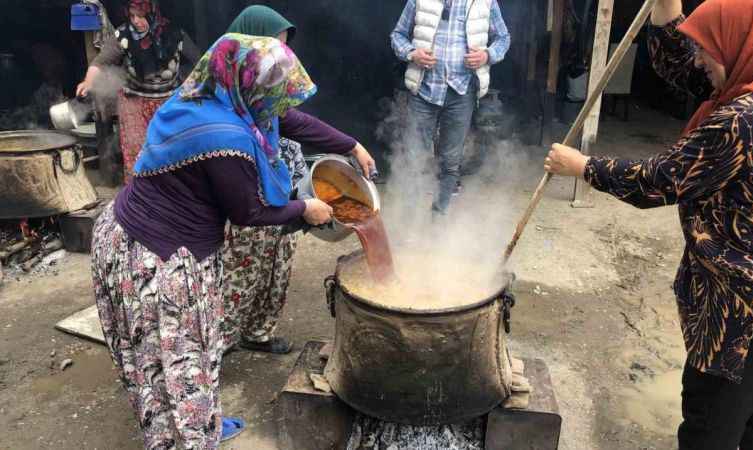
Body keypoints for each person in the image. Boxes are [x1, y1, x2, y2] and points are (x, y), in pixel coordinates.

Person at [544, 0, 753, 448]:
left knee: (709, 421)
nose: (699, 58)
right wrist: (667, 11)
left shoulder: (745, 119)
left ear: (741, 43)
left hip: (738, 302)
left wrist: (582, 165)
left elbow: (658, 182)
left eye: (707, 47)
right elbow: (692, 72)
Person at [91, 34, 331, 448]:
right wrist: (304, 209)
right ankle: (190, 437)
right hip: (161, 263)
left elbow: (286, 122)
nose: (276, 109)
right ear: (252, 88)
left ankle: (190, 427)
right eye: (273, 97)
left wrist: (348, 144)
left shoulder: (199, 97)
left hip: (120, 234)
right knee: (182, 359)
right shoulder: (228, 137)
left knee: (152, 360)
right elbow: (249, 212)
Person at [219, 5, 377, 355]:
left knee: (277, 261)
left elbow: (299, 123)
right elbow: (244, 206)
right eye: (272, 48)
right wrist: (303, 207)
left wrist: (353, 145)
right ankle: (219, 340)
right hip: (243, 204)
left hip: (276, 193)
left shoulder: (263, 95)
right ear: (247, 48)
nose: (281, 60)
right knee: (240, 271)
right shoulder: (224, 104)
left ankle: (258, 332)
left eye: (284, 49)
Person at [390, 0, 510, 215]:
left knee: (451, 161)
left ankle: (439, 215)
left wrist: (487, 56)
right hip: (424, 90)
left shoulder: (486, 2)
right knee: (413, 157)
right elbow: (397, 35)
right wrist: (412, 53)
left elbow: (503, 38)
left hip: (462, 93)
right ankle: (409, 219)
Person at [76, 0, 201, 182]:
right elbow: (100, 62)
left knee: (171, 151)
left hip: (168, 103)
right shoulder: (123, 35)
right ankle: (137, 195)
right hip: (134, 103)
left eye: (141, 16)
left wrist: (189, 84)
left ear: (153, 13)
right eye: (132, 15)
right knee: (137, 153)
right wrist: (88, 81)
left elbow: (198, 59)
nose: (136, 21)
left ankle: (170, 195)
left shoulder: (175, 34)